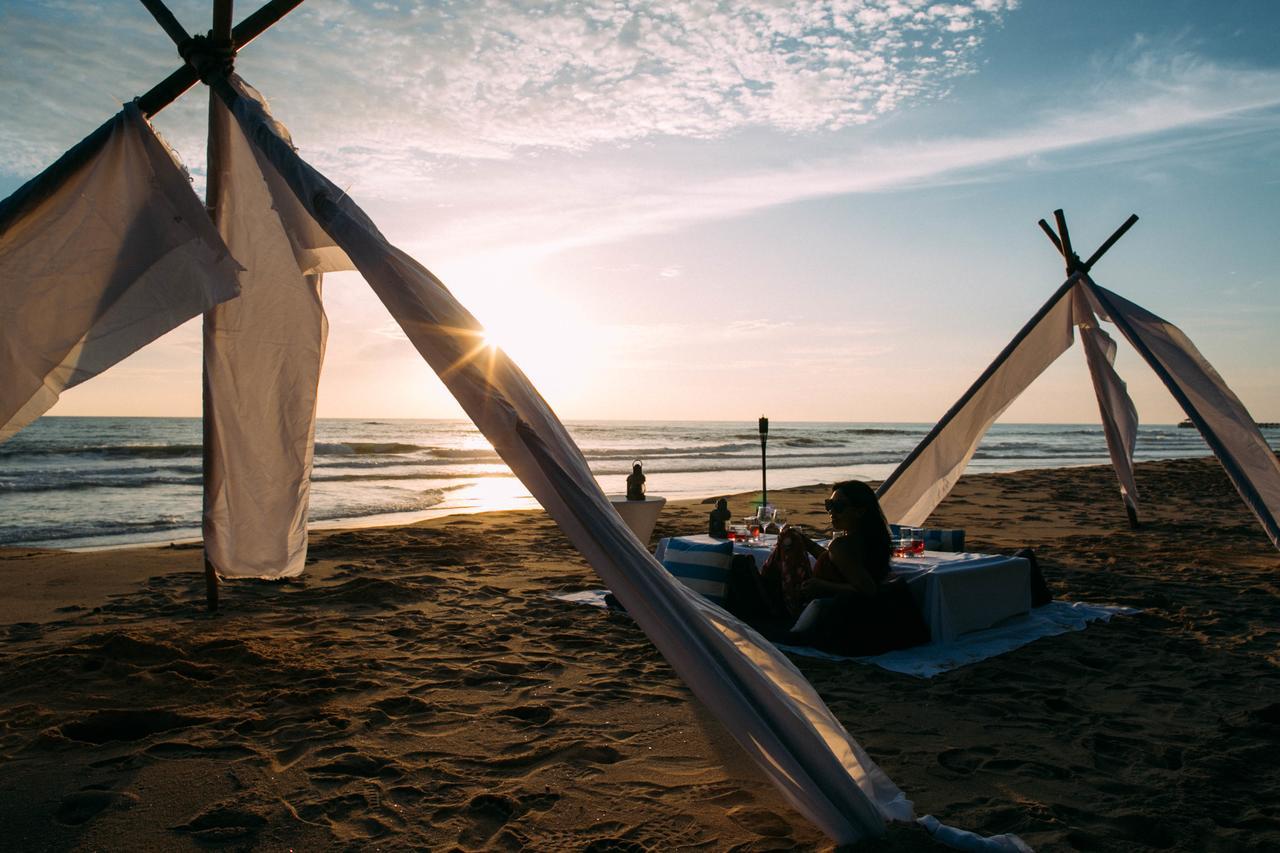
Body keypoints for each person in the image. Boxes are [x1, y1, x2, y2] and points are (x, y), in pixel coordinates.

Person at [750, 480, 926, 655]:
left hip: (806, 603)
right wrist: (808, 543)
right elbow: (836, 564)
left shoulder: (841, 546)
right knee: (791, 538)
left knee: (786, 539)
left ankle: (765, 593)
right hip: (824, 598)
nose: (832, 512)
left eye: (839, 506)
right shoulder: (870, 540)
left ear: (860, 511)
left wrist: (821, 585)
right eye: (829, 505)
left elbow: (868, 590)